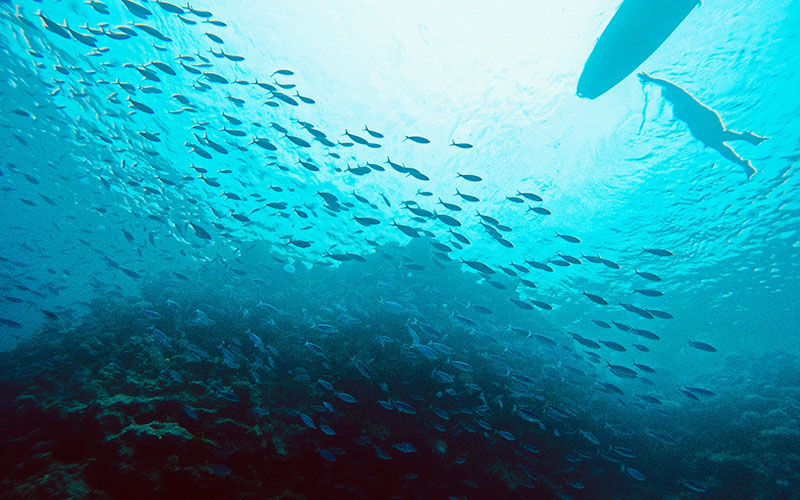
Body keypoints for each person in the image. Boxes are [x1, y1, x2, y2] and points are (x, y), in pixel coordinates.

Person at [638, 72, 768, 180]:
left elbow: (667, 84)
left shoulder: (682, 96)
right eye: (666, 96)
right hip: (701, 129)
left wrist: (650, 79)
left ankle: (746, 143)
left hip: (706, 118)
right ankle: (745, 161)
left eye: (667, 93)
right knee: (717, 144)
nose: (667, 96)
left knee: (719, 137)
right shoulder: (676, 108)